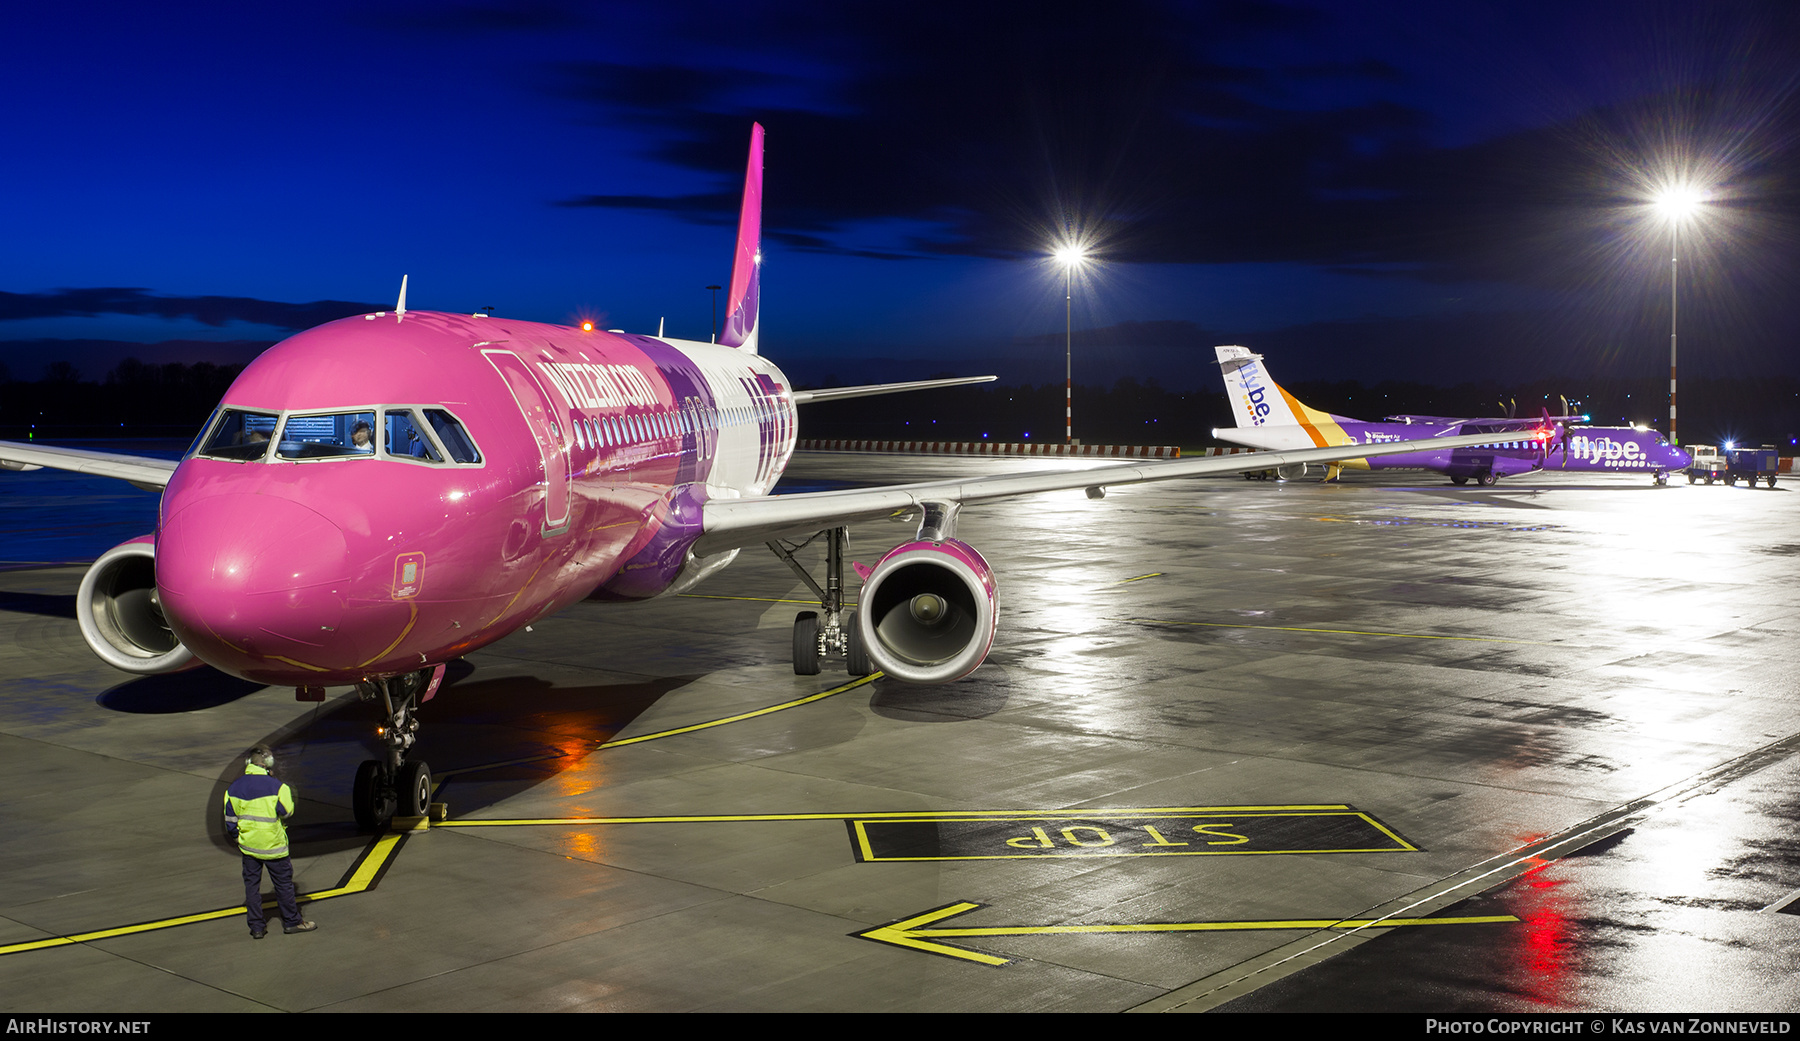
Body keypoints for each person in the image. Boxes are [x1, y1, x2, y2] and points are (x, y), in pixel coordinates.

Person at [223, 746, 316, 939]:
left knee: (251, 886)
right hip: (273, 846)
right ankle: (292, 922)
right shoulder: (278, 787)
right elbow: (287, 811)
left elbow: (230, 821)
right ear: (267, 765)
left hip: (248, 846)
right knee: (283, 885)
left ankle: (257, 927)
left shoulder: (233, 788)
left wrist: (238, 839)